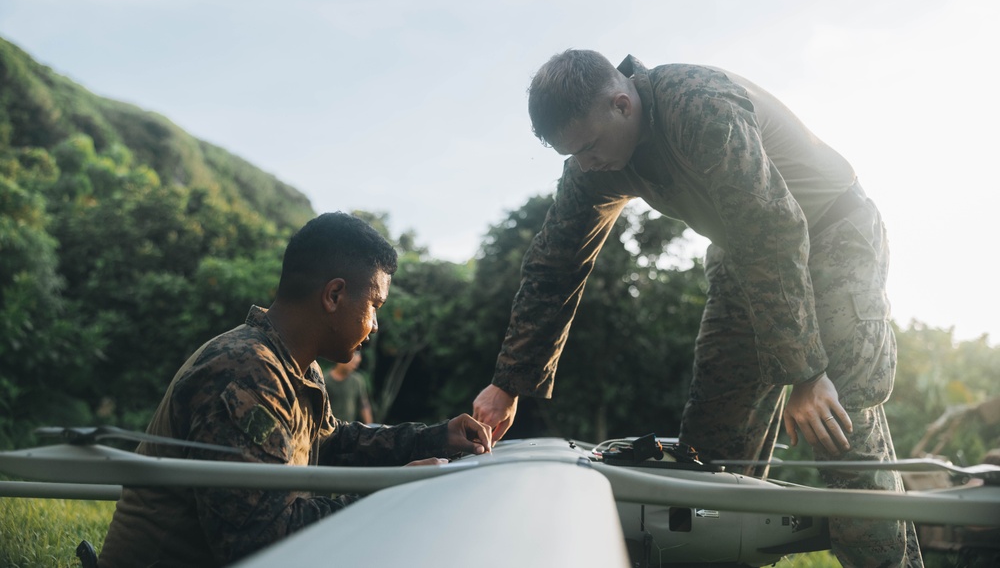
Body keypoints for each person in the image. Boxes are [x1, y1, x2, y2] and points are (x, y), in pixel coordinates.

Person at [472, 50, 922, 567]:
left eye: (590, 147)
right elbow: (555, 264)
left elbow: (771, 226)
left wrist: (806, 373)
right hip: (744, 254)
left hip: (832, 233)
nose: (586, 163)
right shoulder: (593, 162)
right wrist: (508, 381)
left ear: (622, 104)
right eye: (572, 154)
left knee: (840, 427)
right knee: (708, 460)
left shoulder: (698, 105)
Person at [100, 212, 491, 567]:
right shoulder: (243, 372)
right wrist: (391, 494)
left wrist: (437, 438)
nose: (375, 326)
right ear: (334, 295)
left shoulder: (298, 367)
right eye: (375, 305)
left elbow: (333, 444)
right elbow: (261, 538)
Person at [325, 350, 374, 424]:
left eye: (356, 364)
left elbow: (364, 406)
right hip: (329, 428)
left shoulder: (357, 381)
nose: (354, 366)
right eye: (352, 363)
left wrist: (369, 427)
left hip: (348, 428)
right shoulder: (325, 380)